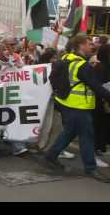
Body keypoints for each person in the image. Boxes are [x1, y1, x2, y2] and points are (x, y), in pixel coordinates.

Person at [44, 34, 110, 182]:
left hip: (66, 103)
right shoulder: (82, 65)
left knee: (69, 133)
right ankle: (90, 168)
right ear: (81, 46)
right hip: (79, 106)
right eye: (88, 44)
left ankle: (50, 156)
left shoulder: (66, 58)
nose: (91, 46)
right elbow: (96, 87)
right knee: (87, 136)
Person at [93, 44, 110, 163]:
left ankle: (100, 149)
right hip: (100, 102)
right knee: (98, 127)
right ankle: (95, 153)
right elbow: (98, 86)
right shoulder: (100, 67)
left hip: (105, 102)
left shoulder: (104, 66)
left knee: (103, 127)